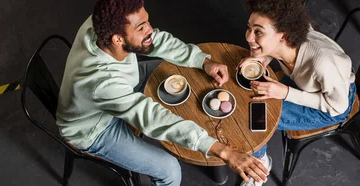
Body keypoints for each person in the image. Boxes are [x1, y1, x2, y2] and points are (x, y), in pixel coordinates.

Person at [55, 0, 269, 185]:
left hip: (122, 85)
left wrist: (204, 61)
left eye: (147, 21)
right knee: (169, 169)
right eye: (141, 27)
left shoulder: (102, 23)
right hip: (94, 128)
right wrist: (224, 151)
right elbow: (153, 119)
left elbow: (155, 40)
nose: (150, 29)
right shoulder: (101, 82)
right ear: (117, 39)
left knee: (174, 71)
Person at [237, 0, 357, 185]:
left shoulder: (322, 64)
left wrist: (286, 93)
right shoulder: (294, 36)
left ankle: (261, 163)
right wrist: (265, 57)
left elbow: (339, 108)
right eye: (249, 28)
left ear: (282, 36)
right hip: (309, 86)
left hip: (332, 103)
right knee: (250, 98)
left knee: (254, 118)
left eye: (258, 32)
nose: (248, 37)